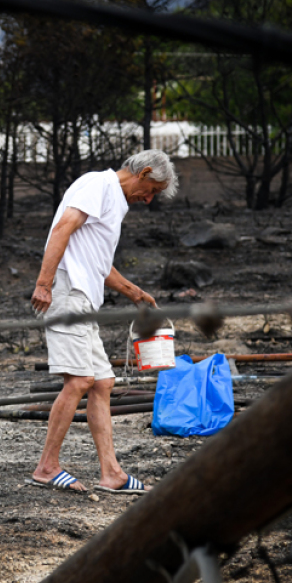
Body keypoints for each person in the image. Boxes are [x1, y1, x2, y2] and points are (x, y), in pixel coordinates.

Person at [28, 149, 178, 494]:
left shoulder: (114, 201)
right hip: (68, 291)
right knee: (80, 379)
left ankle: (112, 474)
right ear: (145, 172)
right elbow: (63, 227)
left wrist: (132, 291)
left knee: (102, 383)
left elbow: (97, 261)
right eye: (152, 189)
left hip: (85, 297)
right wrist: (43, 283)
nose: (149, 199)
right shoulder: (98, 184)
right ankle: (46, 467)